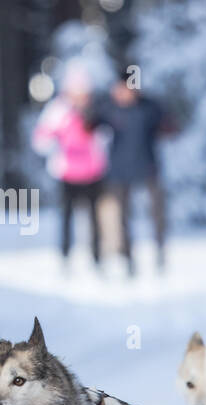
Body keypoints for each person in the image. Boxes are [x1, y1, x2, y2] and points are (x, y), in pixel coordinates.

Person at [32, 61, 107, 265]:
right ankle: (65, 255)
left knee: (94, 218)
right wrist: (55, 145)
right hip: (67, 173)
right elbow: (40, 139)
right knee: (67, 217)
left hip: (93, 172)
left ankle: (97, 256)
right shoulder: (58, 110)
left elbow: (106, 136)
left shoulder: (96, 109)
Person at [92, 79, 170, 274]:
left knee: (156, 213)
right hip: (119, 171)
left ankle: (160, 250)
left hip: (147, 167)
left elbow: (168, 125)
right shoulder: (108, 109)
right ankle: (127, 257)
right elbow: (90, 125)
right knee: (122, 217)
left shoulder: (148, 108)